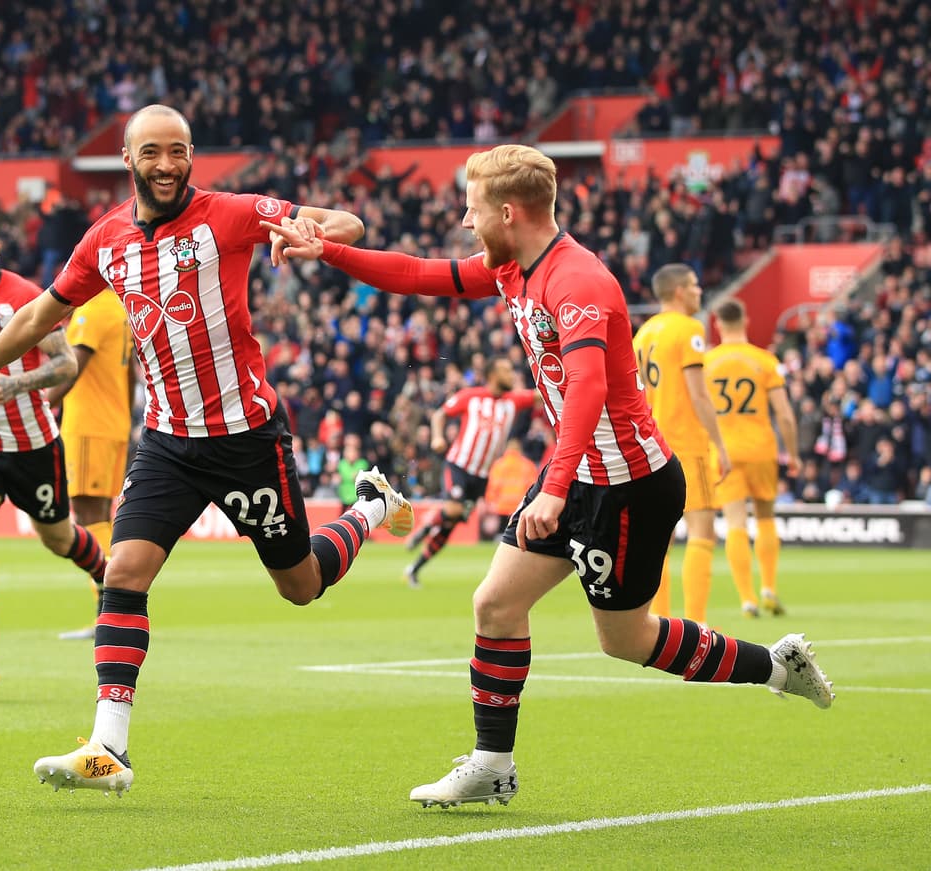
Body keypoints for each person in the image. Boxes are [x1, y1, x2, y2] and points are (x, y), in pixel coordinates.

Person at [265, 143, 833, 810]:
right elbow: (420, 274)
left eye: (473, 210)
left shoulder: (578, 280)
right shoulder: (513, 267)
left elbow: (588, 388)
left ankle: (776, 663)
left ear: (509, 212)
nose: (466, 222)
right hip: (577, 469)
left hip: (626, 486)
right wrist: (325, 252)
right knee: (495, 604)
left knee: (626, 640)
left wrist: (557, 487)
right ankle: (492, 764)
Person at [0, 104, 414, 796]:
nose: (166, 164)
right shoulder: (106, 239)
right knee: (123, 570)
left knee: (300, 584)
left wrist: (311, 234)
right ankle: (107, 746)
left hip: (246, 436)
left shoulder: (231, 213)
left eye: (178, 151)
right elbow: (39, 315)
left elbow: (346, 222)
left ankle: (368, 506)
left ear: (191, 156)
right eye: (151, 152)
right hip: (169, 442)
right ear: (128, 159)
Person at [0, 211, 110, 693]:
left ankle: (109, 579)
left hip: (33, 444)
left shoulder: (26, 296)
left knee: (58, 539)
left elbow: (66, 364)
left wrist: (18, 384)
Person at [632, 263, 731, 625]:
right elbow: (698, 394)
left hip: (653, 447)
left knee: (660, 539)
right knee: (702, 532)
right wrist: (720, 445)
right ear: (678, 292)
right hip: (687, 444)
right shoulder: (689, 329)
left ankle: (658, 622)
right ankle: (697, 624)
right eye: (693, 285)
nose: (699, 291)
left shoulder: (642, 334)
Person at [46, 287, 136, 640]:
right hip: (113, 424)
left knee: (87, 518)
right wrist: (127, 423)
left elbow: (71, 368)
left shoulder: (92, 310)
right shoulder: (119, 308)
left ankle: (109, 609)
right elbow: (130, 377)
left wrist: (38, 406)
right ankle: (116, 607)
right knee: (102, 518)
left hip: (88, 425)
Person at [705, 298, 801, 617]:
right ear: (745, 321)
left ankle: (747, 599)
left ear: (717, 323)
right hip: (761, 448)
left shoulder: (706, 362)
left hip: (724, 451)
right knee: (765, 517)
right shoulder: (765, 360)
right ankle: (769, 588)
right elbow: (785, 415)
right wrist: (794, 453)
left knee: (735, 523)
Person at [405, 357, 535, 588]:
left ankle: (415, 568)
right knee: (453, 510)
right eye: (506, 369)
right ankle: (425, 527)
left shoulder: (513, 400)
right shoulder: (471, 396)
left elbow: (541, 394)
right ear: (493, 374)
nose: (512, 374)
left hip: (482, 477)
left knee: (450, 526)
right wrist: (437, 437)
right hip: (459, 467)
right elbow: (439, 415)